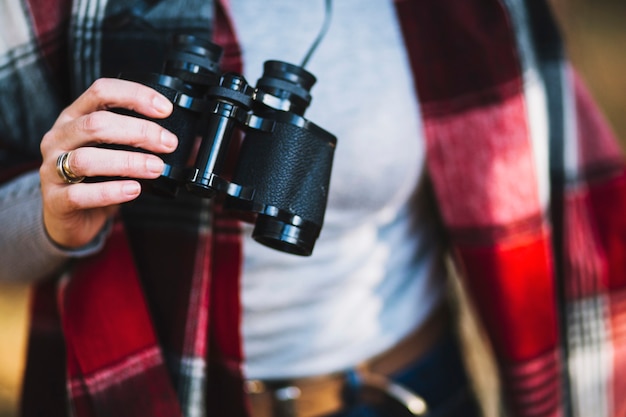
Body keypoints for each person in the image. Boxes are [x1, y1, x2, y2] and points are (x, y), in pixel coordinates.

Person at [1, 0, 625, 417]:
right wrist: (52, 213)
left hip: (406, 388)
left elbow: (578, 220)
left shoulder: (458, 11)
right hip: (164, 395)